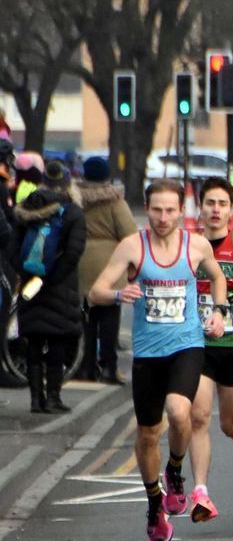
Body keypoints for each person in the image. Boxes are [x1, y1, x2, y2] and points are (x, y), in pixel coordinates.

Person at [87, 179, 226, 541]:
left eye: (170, 210)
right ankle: (154, 505)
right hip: (148, 353)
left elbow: (218, 277)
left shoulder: (195, 246)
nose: (163, 217)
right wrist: (120, 294)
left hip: (187, 344)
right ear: (146, 209)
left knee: (180, 413)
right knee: (148, 433)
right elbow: (96, 291)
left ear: (182, 211)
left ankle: (176, 470)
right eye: (157, 210)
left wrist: (220, 312)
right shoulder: (133, 246)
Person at [187, 177, 233, 523]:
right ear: (200, 207)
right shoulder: (187, 245)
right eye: (210, 203)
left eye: (222, 204)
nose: (215, 210)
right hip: (196, 344)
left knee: (231, 426)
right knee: (198, 416)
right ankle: (201, 492)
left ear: (231, 210)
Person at [9, 160, 86, 412]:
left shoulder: (26, 208)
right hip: (59, 286)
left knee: (33, 340)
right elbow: (74, 252)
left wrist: (27, 274)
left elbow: (13, 248)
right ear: (66, 183)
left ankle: (35, 399)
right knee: (57, 341)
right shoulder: (72, 212)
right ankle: (53, 397)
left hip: (30, 285)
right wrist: (52, 277)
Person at [77, 157, 137, 384]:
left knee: (86, 318)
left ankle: (85, 366)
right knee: (109, 316)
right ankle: (109, 367)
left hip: (81, 261)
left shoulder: (75, 199)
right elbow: (129, 232)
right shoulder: (114, 201)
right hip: (110, 261)